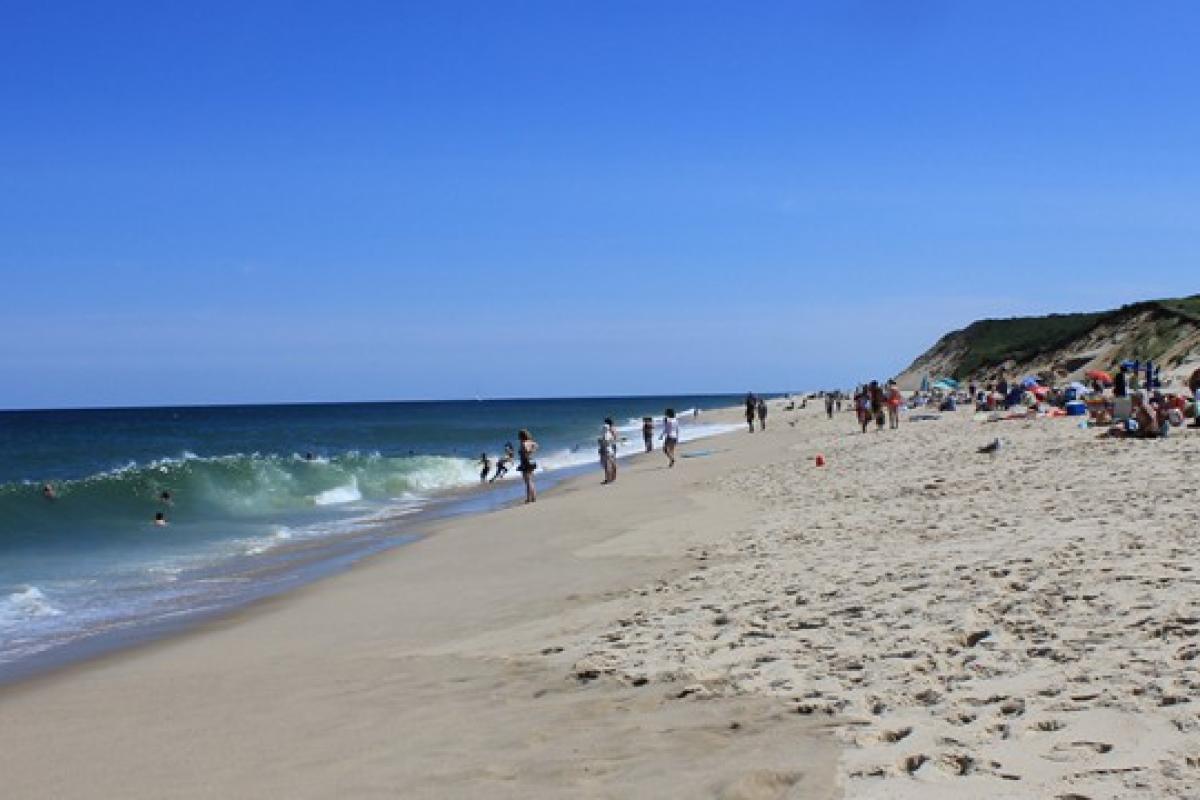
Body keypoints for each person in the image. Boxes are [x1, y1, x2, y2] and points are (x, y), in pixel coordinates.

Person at [516, 430, 538, 503]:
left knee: (528, 481)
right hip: (531, 461)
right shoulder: (531, 442)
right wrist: (532, 451)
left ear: (521, 436)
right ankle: (533, 497)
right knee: (530, 480)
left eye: (519, 436)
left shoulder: (523, 443)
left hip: (525, 462)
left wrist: (527, 453)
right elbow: (536, 445)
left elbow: (526, 450)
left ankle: (529, 498)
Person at [599, 418, 618, 484]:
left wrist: (601, 444)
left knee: (607, 465)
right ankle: (613, 478)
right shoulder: (613, 429)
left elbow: (606, 442)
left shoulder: (608, 431)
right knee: (612, 463)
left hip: (608, 449)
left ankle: (608, 479)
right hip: (612, 447)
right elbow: (615, 438)